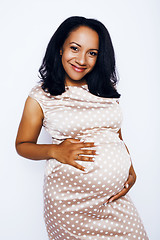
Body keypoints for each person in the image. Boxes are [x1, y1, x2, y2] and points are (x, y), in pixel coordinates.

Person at [15, 16, 148, 240]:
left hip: (113, 200)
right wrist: (54, 150)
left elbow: (114, 133)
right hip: (70, 207)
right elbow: (22, 145)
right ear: (60, 48)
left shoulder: (107, 89)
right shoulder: (41, 96)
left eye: (92, 53)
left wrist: (129, 167)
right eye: (75, 48)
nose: (82, 60)